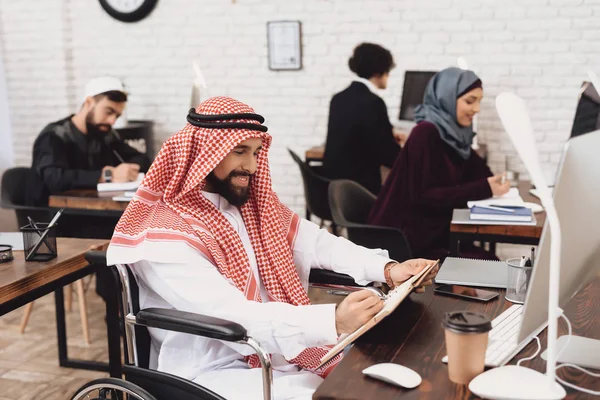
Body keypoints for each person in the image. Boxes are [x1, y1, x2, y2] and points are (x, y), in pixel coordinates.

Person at [107, 96, 439, 400]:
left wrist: (387, 269)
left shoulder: (250, 207)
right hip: (210, 370)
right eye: (240, 152)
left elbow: (318, 243)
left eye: (255, 153)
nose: (251, 167)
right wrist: (333, 319)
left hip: (276, 352)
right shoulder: (163, 235)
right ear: (201, 152)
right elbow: (234, 315)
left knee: (377, 383)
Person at [368, 67, 510, 261]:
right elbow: (424, 195)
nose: (476, 109)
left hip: (433, 233)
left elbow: (482, 174)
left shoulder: (454, 135)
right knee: (491, 264)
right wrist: (485, 187)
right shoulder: (425, 133)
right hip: (407, 241)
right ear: (447, 98)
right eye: (470, 101)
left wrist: (486, 181)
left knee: (491, 263)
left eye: (479, 101)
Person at [26, 76, 150, 206]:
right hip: (54, 216)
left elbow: (141, 158)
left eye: (117, 116)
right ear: (89, 103)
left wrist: (130, 169)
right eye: (108, 112)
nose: (112, 121)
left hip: (93, 211)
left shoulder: (106, 135)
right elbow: (53, 178)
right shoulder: (54, 135)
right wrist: (107, 176)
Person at [322, 43, 402, 195]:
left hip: (333, 190)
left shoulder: (338, 99)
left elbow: (359, 132)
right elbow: (386, 153)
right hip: (359, 192)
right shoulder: (373, 102)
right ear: (380, 72)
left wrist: (389, 133)